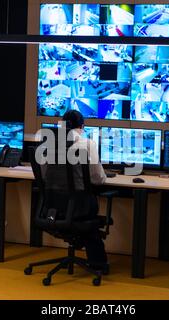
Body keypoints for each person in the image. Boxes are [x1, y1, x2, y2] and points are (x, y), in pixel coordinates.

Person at [61, 110, 109, 273]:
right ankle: (98, 264)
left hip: (55, 205)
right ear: (82, 126)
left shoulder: (49, 144)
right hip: (81, 206)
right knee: (87, 215)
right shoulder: (87, 144)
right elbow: (98, 179)